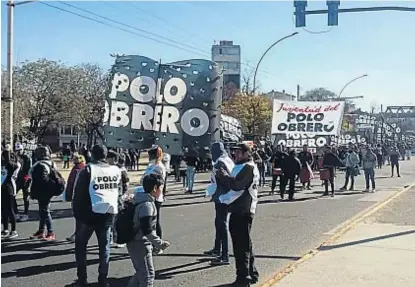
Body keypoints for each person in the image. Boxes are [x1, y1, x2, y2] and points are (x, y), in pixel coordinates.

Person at [72, 145, 121, 287]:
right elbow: (119, 191)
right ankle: (103, 279)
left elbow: (78, 196)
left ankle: (82, 280)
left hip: (88, 215)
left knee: (81, 247)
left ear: (92, 155)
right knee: (104, 248)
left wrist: (77, 215)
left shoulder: (87, 170)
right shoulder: (115, 170)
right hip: (108, 213)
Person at [216, 142, 260, 287]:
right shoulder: (243, 166)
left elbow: (237, 185)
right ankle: (251, 273)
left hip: (242, 210)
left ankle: (243, 278)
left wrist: (224, 176)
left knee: (240, 246)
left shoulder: (248, 167)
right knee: (245, 243)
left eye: (239, 152)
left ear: (247, 153)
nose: (235, 154)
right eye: (234, 152)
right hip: (240, 209)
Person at [126, 173, 170, 287]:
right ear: (155, 188)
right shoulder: (147, 206)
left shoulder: (139, 199)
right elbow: (147, 230)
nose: (162, 190)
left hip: (135, 241)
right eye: (161, 188)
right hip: (140, 243)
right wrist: (160, 244)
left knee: (140, 273)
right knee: (148, 276)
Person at [204, 142, 235, 265]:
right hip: (225, 196)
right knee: (219, 223)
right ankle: (217, 249)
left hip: (222, 197)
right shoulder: (227, 159)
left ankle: (224, 255)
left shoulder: (219, 163)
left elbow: (225, 179)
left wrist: (218, 190)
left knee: (222, 225)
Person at [138, 145, 166, 255]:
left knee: (155, 221)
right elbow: (143, 179)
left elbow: (157, 182)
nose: (149, 155)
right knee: (148, 221)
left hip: (156, 197)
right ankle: (151, 243)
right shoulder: (151, 165)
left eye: (151, 153)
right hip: (146, 195)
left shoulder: (159, 167)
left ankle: (158, 245)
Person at [29, 146, 57, 241]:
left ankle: (51, 232)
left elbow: (41, 180)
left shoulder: (41, 165)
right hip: (48, 191)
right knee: (42, 211)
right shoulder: (51, 163)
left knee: (45, 211)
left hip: (43, 192)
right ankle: (41, 231)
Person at [107, 151, 130, 248]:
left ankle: (121, 239)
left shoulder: (120, 169)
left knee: (119, 219)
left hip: (118, 197)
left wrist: (123, 194)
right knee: (110, 218)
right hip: (110, 197)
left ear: (112, 159)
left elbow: (126, 183)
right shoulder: (108, 169)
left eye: (108, 158)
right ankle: (111, 237)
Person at [65, 154, 86, 243]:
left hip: (79, 197)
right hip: (76, 196)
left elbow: (72, 183)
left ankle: (79, 235)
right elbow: (70, 182)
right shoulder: (76, 169)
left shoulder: (82, 170)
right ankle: (77, 234)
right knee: (78, 217)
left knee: (79, 217)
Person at [1, 150, 21, 239]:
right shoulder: (4, 165)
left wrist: (7, 153)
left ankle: (14, 230)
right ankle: (5, 229)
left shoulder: (14, 165)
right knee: (3, 210)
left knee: (10, 209)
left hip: (10, 188)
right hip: (2, 187)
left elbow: (10, 165)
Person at [14, 142, 32, 222]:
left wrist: (26, 179)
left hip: (26, 180)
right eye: (17, 150)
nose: (18, 151)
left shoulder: (27, 157)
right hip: (18, 180)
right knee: (13, 195)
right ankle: (16, 213)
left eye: (20, 150)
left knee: (26, 197)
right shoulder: (15, 157)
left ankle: (25, 213)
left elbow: (29, 171)